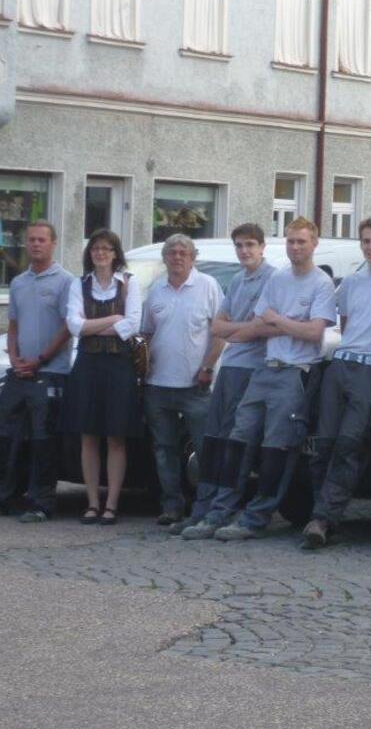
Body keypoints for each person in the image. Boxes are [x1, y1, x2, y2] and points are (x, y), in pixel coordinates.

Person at [214, 218, 336, 541]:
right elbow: (256, 325)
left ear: (314, 243)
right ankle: (220, 511)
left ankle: (255, 519)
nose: (295, 247)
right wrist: (285, 325)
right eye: (291, 241)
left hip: (295, 373)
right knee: (239, 440)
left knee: (276, 448)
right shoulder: (279, 279)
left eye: (301, 241)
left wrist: (278, 320)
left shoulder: (321, 283)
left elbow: (314, 333)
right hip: (266, 368)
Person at [303, 216, 371, 549]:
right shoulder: (351, 282)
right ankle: (321, 514)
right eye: (366, 241)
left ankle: (323, 518)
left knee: (350, 443)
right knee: (323, 443)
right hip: (342, 365)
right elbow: (348, 325)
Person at [173, 223, 276, 539]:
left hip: (252, 370)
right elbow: (217, 327)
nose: (245, 251)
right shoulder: (238, 279)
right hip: (229, 366)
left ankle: (221, 511)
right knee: (214, 441)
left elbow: (259, 328)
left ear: (262, 247)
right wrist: (241, 329)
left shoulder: (272, 278)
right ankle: (203, 509)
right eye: (240, 246)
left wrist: (239, 328)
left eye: (250, 245)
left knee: (235, 444)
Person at [0, 220, 73, 523]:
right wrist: (13, 356)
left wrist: (40, 359)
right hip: (19, 373)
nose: (36, 244)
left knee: (43, 440)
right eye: (31, 240)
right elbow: (13, 325)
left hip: (50, 372)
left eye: (42, 240)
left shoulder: (66, 282)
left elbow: (68, 328)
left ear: (53, 244)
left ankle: (42, 503)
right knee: (3, 436)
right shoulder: (18, 283)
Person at [141, 233, 224, 526]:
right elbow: (147, 333)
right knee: (164, 450)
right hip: (157, 384)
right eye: (172, 252)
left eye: (183, 253)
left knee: (205, 448)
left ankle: (208, 508)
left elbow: (219, 332)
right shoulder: (156, 291)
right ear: (165, 258)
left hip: (196, 386)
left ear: (192, 257)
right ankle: (171, 506)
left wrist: (208, 367)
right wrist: (142, 364)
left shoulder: (208, 287)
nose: (177, 257)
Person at [62, 229, 143, 525]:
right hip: (88, 365)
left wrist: (92, 325)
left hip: (119, 366)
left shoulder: (129, 284)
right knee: (88, 436)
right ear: (89, 252)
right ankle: (92, 502)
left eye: (107, 249)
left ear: (115, 253)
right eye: (96, 248)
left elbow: (132, 325)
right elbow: (74, 326)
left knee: (116, 437)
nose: (101, 253)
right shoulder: (78, 284)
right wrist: (112, 319)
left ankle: (111, 504)